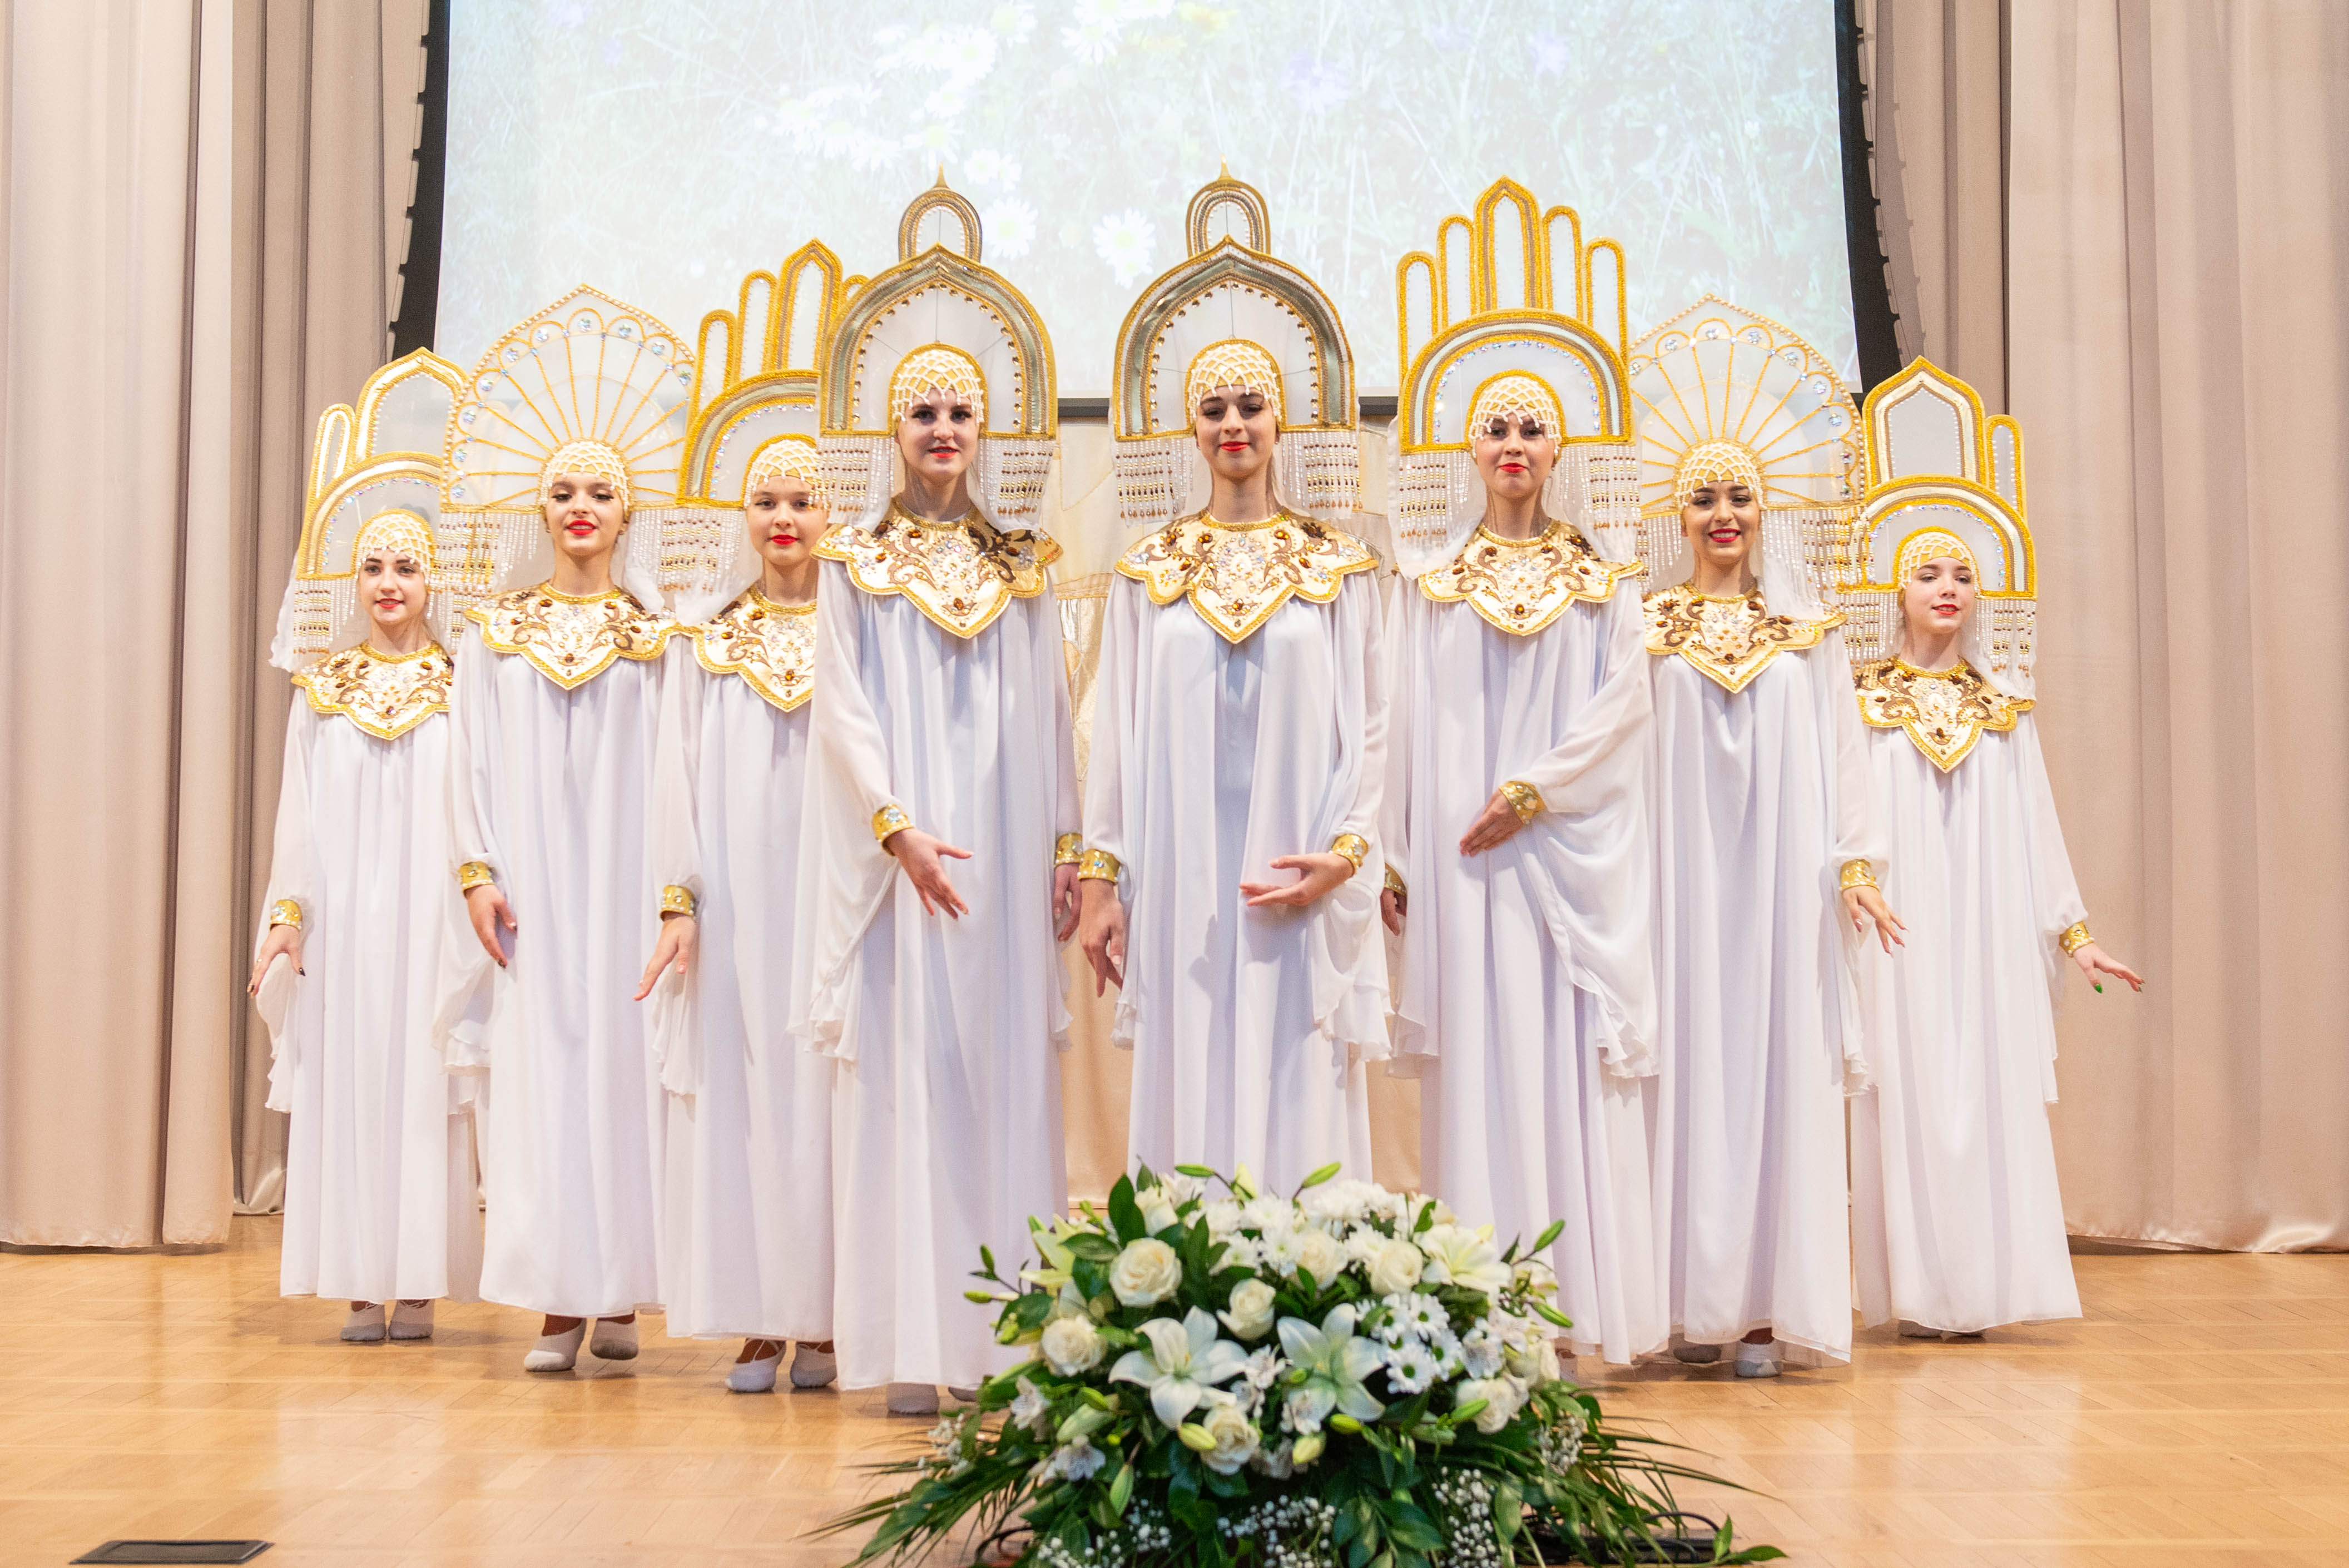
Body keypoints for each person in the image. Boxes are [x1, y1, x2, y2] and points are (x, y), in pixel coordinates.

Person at [791, 183, 1077, 1415]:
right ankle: (913, 1343)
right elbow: (843, 709)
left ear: (986, 427)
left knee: (999, 1083)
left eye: (961, 411)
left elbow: (1053, 716)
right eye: (923, 411)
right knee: (905, 1084)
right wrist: (895, 826)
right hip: (903, 856)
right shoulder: (853, 564)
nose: (944, 428)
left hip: (1003, 851)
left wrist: (1065, 846)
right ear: (890, 429)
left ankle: (1004, 1343)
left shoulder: (1024, 565)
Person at [1381, 237, 1661, 1359]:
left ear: (1560, 450)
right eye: (1495, 426)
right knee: (1478, 1072)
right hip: (1461, 856)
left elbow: (1623, 710)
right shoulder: (1430, 584)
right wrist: (1396, 850)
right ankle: (1477, 1308)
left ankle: (1569, 1305)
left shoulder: (1602, 582)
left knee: (1560, 1061)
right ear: (1469, 447)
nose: (1513, 444)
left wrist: (1533, 793)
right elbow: (1400, 718)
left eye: (1532, 428)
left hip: (1554, 852)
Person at [1078, 174, 1386, 1191]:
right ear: (1192, 429)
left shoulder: (1337, 568)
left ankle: (1311, 1259)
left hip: (1300, 863)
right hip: (1180, 872)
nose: (1233, 424)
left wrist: (1348, 855)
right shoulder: (1149, 570)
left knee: (1297, 1066)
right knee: (1192, 1053)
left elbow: (1373, 730)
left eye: (1251, 405)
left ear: (1282, 420)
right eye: (1212, 409)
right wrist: (1104, 880)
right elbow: (1116, 736)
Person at [1836, 361, 2143, 1341]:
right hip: (1896, 927)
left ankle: (1979, 1290)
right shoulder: (1859, 703)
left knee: (1984, 1087)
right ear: (1892, 587)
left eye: (1964, 574)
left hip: (1986, 929)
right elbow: (1844, 815)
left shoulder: (2003, 711)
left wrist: (2074, 935)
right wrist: (1855, 879)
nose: (1949, 589)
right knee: (1908, 1093)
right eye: (1928, 573)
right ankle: (1920, 1291)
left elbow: (2035, 824)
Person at [1629, 301, 1901, 1378]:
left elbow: (1845, 760)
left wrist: (1857, 868)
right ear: (1678, 513)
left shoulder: (1811, 634)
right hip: (1681, 891)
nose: (1724, 513)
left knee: (1779, 1071)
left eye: (1740, 495)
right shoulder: (1644, 630)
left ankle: (1765, 1312)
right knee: (1689, 1068)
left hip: (1786, 893)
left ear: (1767, 509)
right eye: (1705, 496)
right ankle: (1690, 1305)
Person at [436, 289, 697, 1373]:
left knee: (627, 1071)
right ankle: (554, 1296)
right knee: (541, 1072)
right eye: (562, 492)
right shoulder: (495, 635)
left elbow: (679, 774)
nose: (581, 506)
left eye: (600, 491)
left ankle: (620, 1289)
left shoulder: (660, 639)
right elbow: (468, 763)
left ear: (629, 512)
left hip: (626, 879)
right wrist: (477, 873)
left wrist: (676, 890)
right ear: (537, 511)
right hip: (534, 884)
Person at [253, 505, 482, 1343]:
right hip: (345, 924)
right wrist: (289, 916)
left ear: (433, 581)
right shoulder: (323, 691)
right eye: (375, 568)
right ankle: (357, 1281)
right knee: (347, 1083)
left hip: (431, 921)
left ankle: (417, 1282)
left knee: (422, 1085)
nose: (389, 584)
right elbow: (299, 816)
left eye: (406, 568)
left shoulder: (464, 687)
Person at [645, 434, 840, 1393]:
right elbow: (676, 772)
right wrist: (678, 898)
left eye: (803, 501)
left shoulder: (864, 628)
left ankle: (830, 1313)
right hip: (736, 892)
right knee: (748, 1094)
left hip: (835, 888)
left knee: (828, 1091)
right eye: (766, 502)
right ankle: (764, 1316)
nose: (784, 519)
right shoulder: (708, 638)